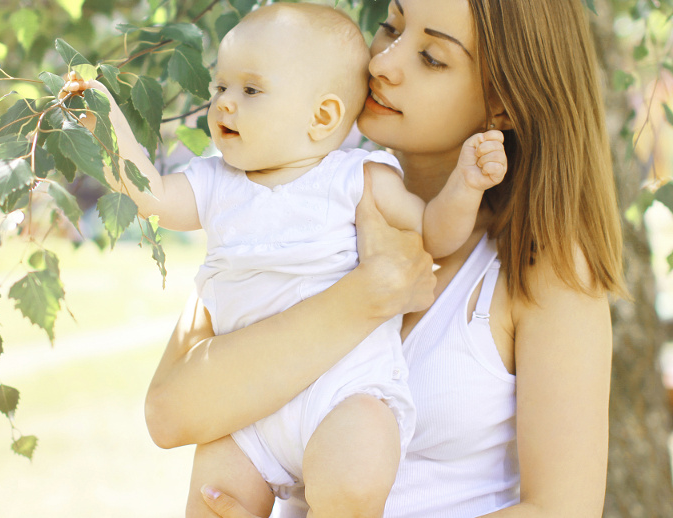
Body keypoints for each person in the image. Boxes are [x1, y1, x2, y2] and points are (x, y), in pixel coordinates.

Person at [140, 0, 628, 517]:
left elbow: (562, 510)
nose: (381, 64)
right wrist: (368, 296)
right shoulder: (283, 209)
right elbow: (170, 415)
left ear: (502, 103)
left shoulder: (543, 267)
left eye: (432, 58)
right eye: (390, 26)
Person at [65, 3, 506, 516]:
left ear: (322, 117)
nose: (225, 104)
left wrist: (466, 184)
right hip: (249, 411)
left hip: (345, 394)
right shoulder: (214, 183)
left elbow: (435, 232)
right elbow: (153, 194)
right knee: (216, 501)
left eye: (250, 91)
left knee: (355, 478)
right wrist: (104, 119)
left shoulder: (357, 178)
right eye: (220, 88)